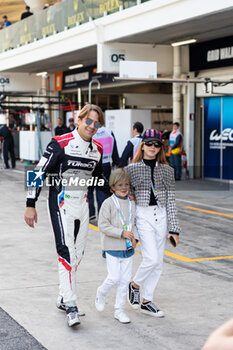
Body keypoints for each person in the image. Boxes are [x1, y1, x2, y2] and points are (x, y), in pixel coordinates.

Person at [24, 104, 110, 327]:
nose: (92, 126)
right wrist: (30, 204)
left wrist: (119, 194)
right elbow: (38, 172)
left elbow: (99, 179)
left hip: (83, 205)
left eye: (96, 123)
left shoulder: (98, 149)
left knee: (78, 254)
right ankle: (71, 304)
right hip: (61, 204)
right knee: (66, 252)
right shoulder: (60, 143)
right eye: (88, 121)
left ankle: (63, 296)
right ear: (78, 120)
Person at [125, 129, 180, 317]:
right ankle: (134, 285)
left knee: (158, 264)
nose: (153, 147)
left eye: (157, 144)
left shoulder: (167, 170)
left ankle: (147, 301)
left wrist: (174, 228)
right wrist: (130, 230)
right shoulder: (131, 169)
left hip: (162, 216)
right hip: (143, 215)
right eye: (149, 143)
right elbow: (127, 202)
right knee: (151, 259)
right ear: (142, 145)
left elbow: (171, 200)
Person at [95, 168, 138, 324]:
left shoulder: (132, 203)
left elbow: (135, 223)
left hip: (128, 249)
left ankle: (118, 310)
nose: (123, 188)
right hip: (112, 247)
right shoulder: (108, 203)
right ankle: (101, 292)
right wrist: (121, 233)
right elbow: (103, 225)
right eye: (119, 185)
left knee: (125, 280)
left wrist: (136, 239)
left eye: (126, 184)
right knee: (114, 277)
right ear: (112, 187)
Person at [88, 125, 119, 220]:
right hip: (105, 164)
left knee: (89, 189)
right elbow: (114, 150)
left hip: (91, 163)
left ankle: (91, 213)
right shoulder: (109, 131)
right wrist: (116, 162)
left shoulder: (90, 131)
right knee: (102, 189)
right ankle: (102, 214)